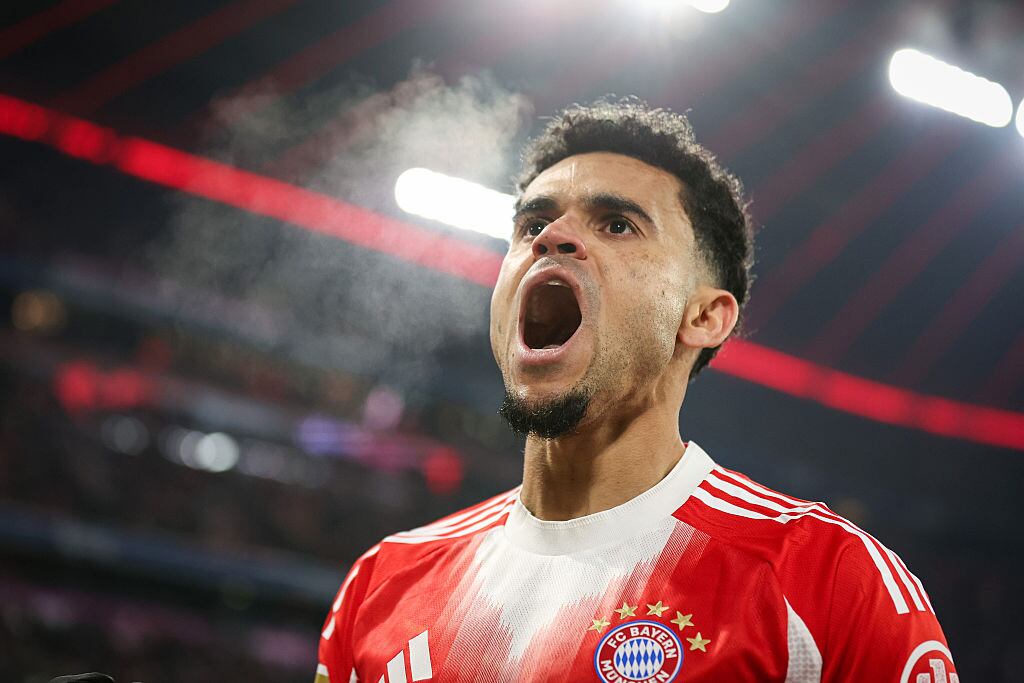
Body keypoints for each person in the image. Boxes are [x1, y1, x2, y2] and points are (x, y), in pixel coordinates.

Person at [315, 99, 956, 683]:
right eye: (533, 222)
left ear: (704, 317)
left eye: (617, 225)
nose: (551, 238)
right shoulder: (383, 584)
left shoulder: (827, 582)